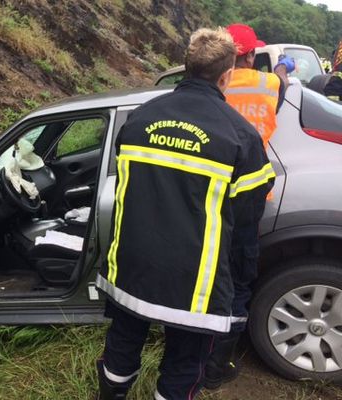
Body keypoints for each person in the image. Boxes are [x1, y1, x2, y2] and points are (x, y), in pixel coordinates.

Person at [95, 28, 275, 400]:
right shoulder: (241, 136)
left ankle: (109, 394)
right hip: (195, 282)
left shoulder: (138, 119)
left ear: (186, 68)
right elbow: (245, 227)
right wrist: (240, 283)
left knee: (122, 345)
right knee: (185, 363)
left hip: (131, 267)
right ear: (227, 76)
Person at [202, 24, 294, 390]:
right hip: (252, 192)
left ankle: (197, 345)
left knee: (207, 273)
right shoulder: (271, 85)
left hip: (206, 188)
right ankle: (219, 361)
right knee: (239, 277)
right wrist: (282, 68)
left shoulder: (210, 85)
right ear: (252, 56)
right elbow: (282, 87)